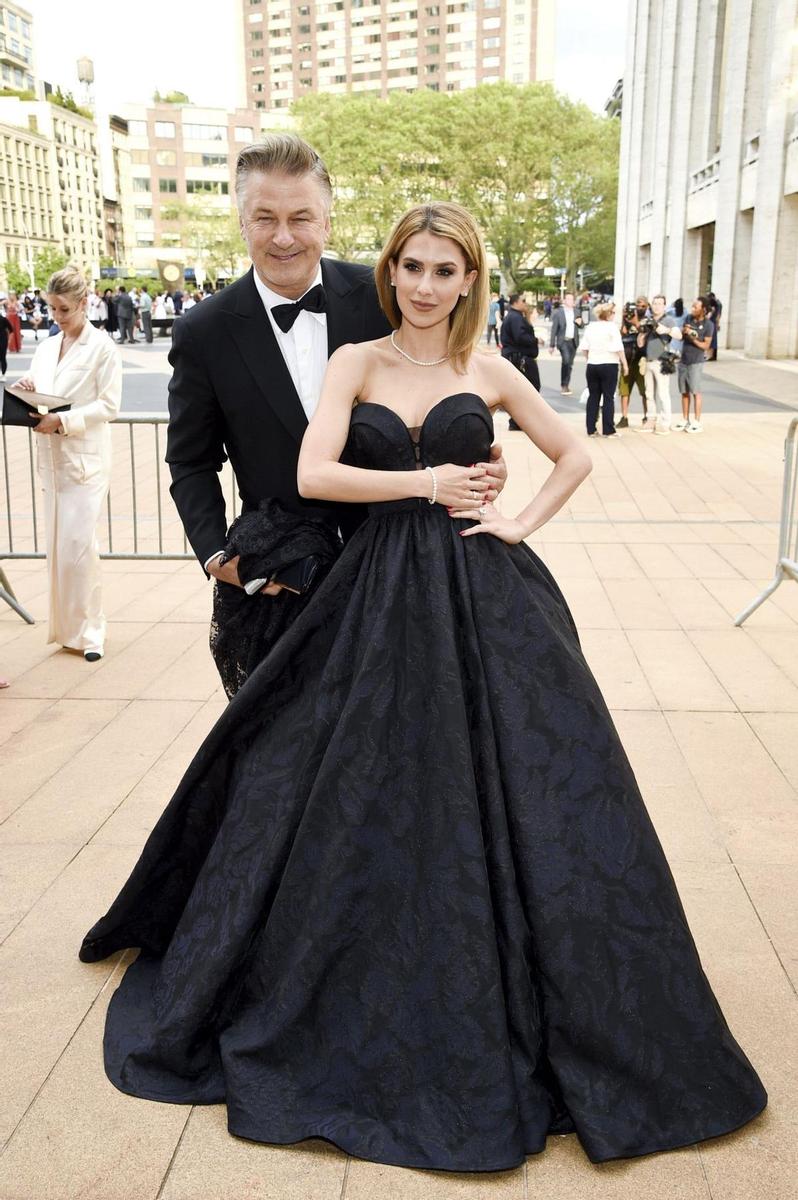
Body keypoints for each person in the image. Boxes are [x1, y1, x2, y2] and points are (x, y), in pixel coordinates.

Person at [79, 198, 766, 1173]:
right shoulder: (355, 363)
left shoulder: (485, 370)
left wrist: (519, 524)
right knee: (336, 774)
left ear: (468, 279)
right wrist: (428, 486)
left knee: (520, 785)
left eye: (447, 270)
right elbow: (318, 474)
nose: (428, 285)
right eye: (414, 267)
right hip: (371, 593)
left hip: (482, 593)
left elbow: (574, 455)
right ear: (391, 272)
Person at [165, 134, 507, 691]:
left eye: (300, 217)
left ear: (327, 220)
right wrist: (216, 557)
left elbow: (445, 391)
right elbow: (190, 461)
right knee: (283, 754)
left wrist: (480, 463)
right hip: (282, 575)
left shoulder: (389, 297)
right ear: (241, 222)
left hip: (399, 570)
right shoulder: (203, 331)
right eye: (264, 218)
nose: (282, 237)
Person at [13, 266, 122, 661]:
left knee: (80, 546)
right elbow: (41, 385)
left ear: (82, 303)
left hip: (85, 461)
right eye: (52, 309)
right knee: (59, 548)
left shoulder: (103, 348)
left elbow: (109, 405)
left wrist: (63, 421)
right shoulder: (45, 347)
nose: (56, 317)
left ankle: (92, 633)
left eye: (63, 309)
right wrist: (27, 388)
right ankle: (66, 630)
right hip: (52, 461)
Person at [580, 301, 627, 438]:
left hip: (593, 364)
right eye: (613, 313)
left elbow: (584, 348)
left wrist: (590, 358)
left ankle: (591, 429)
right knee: (608, 397)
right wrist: (624, 364)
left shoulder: (591, 327)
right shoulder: (612, 328)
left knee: (593, 396)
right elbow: (619, 348)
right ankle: (608, 429)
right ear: (608, 314)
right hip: (609, 364)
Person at [637, 293, 681, 435]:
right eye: (654, 303)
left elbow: (679, 335)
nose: (656, 306)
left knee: (663, 393)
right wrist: (642, 333)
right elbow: (640, 342)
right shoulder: (647, 319)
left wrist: (665, 330)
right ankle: (651, 420)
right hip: (648, 360)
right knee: (649, 393)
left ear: (664, 305)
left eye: (659, 304)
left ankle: (665, 423)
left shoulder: (668, 320)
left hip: (661, 361)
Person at [500, 292, 540, 429]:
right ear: (516, 302)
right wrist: (535, 340)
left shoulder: (514, 317)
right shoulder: (515, 318)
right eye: (523, 301)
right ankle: (520, 421)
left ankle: (519, 421)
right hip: (520, 358)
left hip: (517, 357)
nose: (525, 303)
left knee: (523, 391)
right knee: (529, 389)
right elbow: (520, 337)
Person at [674, 296, 714, 433]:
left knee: (695, 391)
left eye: (695, 307)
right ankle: (685, 419)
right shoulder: (688, 319)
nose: (692, 309)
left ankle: (697, 421)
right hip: (683, 359)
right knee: (684, 391)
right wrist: (683, 331)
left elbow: (706, 345)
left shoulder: (709, 325)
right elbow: (681, 334)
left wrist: (693, 339)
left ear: (703, 309)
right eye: (692, 306)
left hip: (696, 361)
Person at [618, 297, 649, 428]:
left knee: (645, 391)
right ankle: (624, 417)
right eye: (637, 305)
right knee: (624, 390)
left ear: (647, 307)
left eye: (642, 306)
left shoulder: (647, 320)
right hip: (627, 358)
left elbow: (646, 334)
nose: (639, 308)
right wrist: (624, 320)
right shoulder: (628, 319)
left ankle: (647, 416)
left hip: (641, 359)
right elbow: (622, 334)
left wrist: (636, 322)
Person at [549, 291, 581, 395]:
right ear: (564, 301)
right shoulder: (559, 313)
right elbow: (554, 329)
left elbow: (582, 324)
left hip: (573, 341)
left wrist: (581, 323)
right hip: (563, 341)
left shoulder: (576, 312)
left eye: (572, 299)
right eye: (568, 299)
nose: (570, 301)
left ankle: (566, 384)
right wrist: (552, 345)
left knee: (570, 364)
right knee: (566, 361)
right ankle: (563, 385)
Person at [0, 309, 11, 376]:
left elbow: (10, 329)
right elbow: (11, 329)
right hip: (3, 339)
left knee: (2, 357)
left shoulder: (3, 319)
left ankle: (3, 374)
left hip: (3, 340)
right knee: (3, 358)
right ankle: (3, 373)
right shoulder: (4, 319)